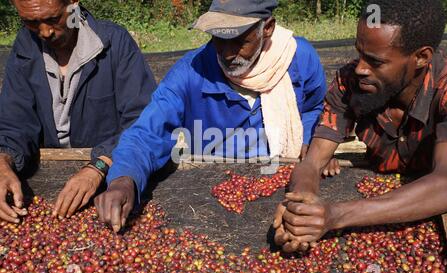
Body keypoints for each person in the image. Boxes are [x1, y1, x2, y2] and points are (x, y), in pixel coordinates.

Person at [95, 0, 328, 233]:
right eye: (219, 40)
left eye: (239, 42)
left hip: (283, 183)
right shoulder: (192, 72)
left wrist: (308, 138)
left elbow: (314, 106)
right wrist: (124, 179)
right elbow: (147, 132)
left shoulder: (298, 58)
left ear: (267, 28)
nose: (227, 54)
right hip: (212, 195)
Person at [273, 0, 447, 253]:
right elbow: (312, 162)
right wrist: (302, 208)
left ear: (421, 57)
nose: (361, 68)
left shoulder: (445, 91)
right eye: (359, 54)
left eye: (375, 62)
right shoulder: (350, 83)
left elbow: (446, 183)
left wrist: (335, 215)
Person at [0, 0, 156, 223]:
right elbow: (15, 122)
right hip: (50, 175)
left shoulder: (114, 43)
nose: (44, 32)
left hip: (110, 174)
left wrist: (99, 166)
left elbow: (144, 120)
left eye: (53, 19)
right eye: (31, 22)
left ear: (73, 3)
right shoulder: (26, 46)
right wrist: (3, 161)